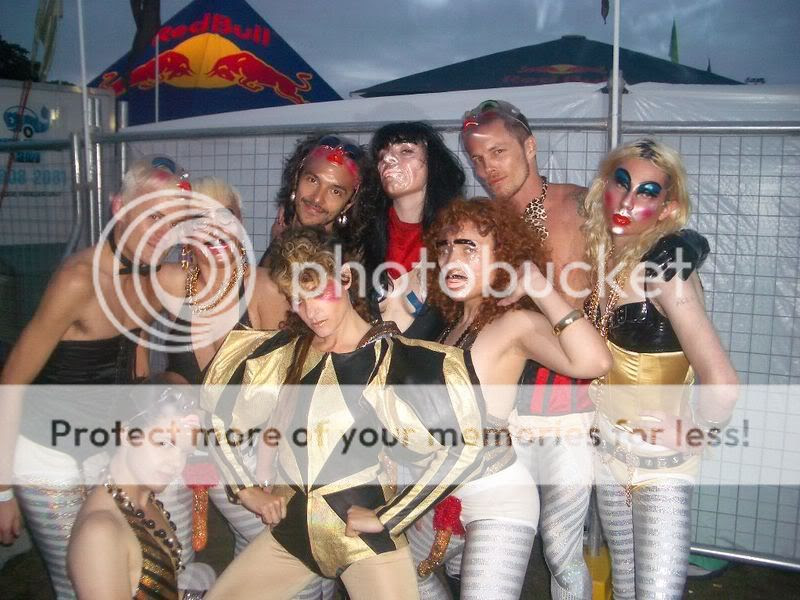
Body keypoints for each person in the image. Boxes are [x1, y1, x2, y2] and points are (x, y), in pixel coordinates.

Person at [203, 227, 488, 600]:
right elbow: (219, 419)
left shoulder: (393, 359)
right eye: (298, 299)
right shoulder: (283, 353)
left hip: (362, 543)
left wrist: (389, 517)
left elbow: (466, 447)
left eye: (319, 292)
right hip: (290, 536)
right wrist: (246, 490)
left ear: (345, 277)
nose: (311, 311)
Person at [0, 156, 191, 599]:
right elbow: (11, 382)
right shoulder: (78, 280)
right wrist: (3, 489)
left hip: (102, 444)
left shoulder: (152, 279)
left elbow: (137, 359)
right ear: (119, 206)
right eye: (152, 217)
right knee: (77, 579)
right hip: (46, 452)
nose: (162, 234)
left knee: (123, 565)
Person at [407, 198, 611, 600]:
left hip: (498, 497)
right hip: (440, 490)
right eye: (445, 247)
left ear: (503, 256)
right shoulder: (447, 326)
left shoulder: (515, 323)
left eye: (469, 248)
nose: (452, 259)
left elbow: (595, 361)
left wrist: (539, 287)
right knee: (403, 578)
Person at [582, 139, 737, 599]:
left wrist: (697, 433)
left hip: (660, 466)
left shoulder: (667, 273)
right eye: (622, 184)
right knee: (626, 583)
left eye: (647, 192)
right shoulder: (602, 260)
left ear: (667, 208)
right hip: (609, 458)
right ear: (605, 187)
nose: (628, 201)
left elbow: (723, 383)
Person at [460, 98, 596, 597]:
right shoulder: (484, 223)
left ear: (530, 146)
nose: (487, 168)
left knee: (560, 547)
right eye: (477, 159)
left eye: (498, 152)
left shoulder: (576, 204)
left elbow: (641, 236)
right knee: (474, 533)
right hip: (505, 410)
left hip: (566, 405)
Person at [67, 380, 208, 600]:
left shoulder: (142, 497)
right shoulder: (99, 534)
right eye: (164, 443)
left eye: (185, 452)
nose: (176, 463)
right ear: (126, 433)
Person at [364, 122, 465, 340]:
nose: (389, 160)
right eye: (382, 155)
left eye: (406, 151)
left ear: (433, 163)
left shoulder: (458, 240)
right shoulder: (359, 238)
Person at [259, 133, 374, 266]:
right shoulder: (282, 236)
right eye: (312, 180)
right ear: (296, 178)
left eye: (335, 192)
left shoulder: (342, 264)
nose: (317, 199)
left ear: (350, 202)